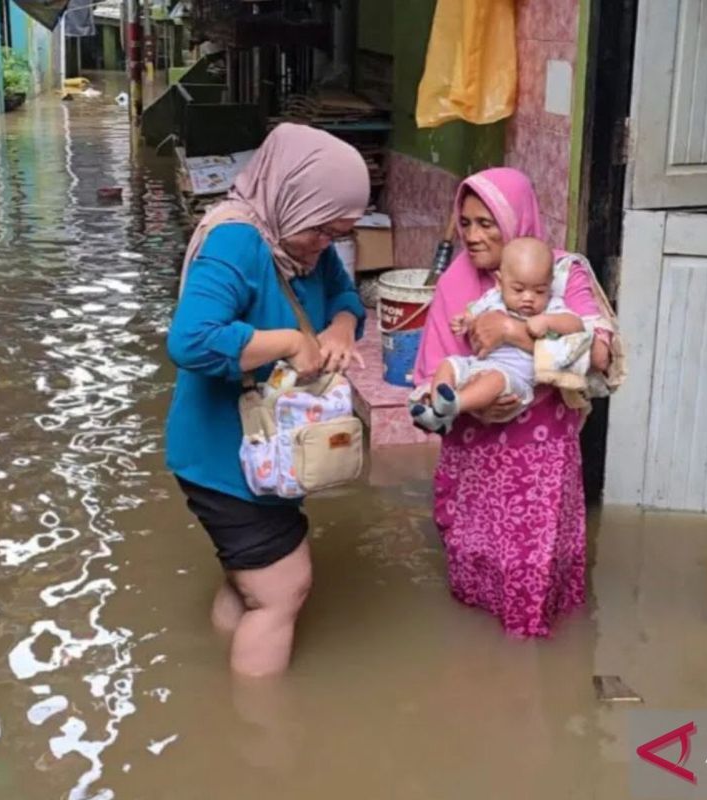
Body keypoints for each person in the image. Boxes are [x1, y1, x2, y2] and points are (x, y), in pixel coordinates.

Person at [166, 123, 369, 676]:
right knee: (283, 588)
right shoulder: (238, 241)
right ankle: (261, 741)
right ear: (294, 195)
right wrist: (288, 342)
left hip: (267, 453)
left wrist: (342, 328)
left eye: (339, 233)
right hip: (221, 457)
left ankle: (220, 697)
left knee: (251, 582)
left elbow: (344, 295)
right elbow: (190, 340)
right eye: (324, 230)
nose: (327, 243)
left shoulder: (303, 241)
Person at [413, 167, 610, 638]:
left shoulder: (562, 274)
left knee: (532, 569)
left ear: (516, 218)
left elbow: (599, 355)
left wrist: (514, 333)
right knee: (473, 584)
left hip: (537, 462)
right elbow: (430, 376)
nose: (473, 235)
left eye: (488, 222)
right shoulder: (455, 284)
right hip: (473, 458)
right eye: (466, 223)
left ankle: (529, 668)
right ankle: (484, 681)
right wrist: (469, 404)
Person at [411, 237, 584, 433]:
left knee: (495, 378)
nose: (528, 297)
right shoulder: (493, 298)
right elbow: (473, 312)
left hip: (514, 378)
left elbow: (576, 325)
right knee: (448, 364)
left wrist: (548, 321)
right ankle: (438, 414)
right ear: (500, 282)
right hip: (479, 365)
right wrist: (466, 320)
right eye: (518, 289)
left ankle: (456, 405)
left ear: (550, 285)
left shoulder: (552, 306)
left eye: (539, 290)